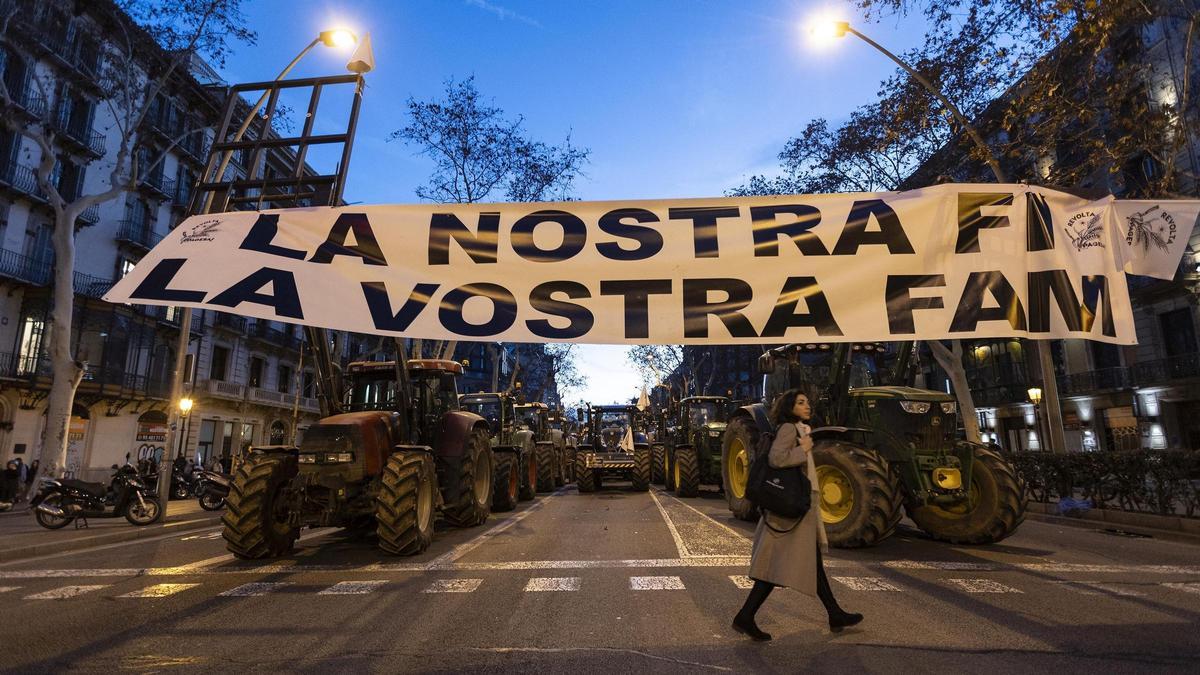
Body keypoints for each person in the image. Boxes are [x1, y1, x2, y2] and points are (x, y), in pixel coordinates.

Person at [732, 388, 863, 641]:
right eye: (800, 402)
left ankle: (835, 613)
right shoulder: (789, 429)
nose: (807, 405)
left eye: (807, 402)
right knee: (774, 566)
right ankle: (746, 615)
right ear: (789, 407)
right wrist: (802, 449)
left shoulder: (800, 429)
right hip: (790, 508)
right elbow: (777, 459)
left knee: (808, 561)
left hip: (801, 504)